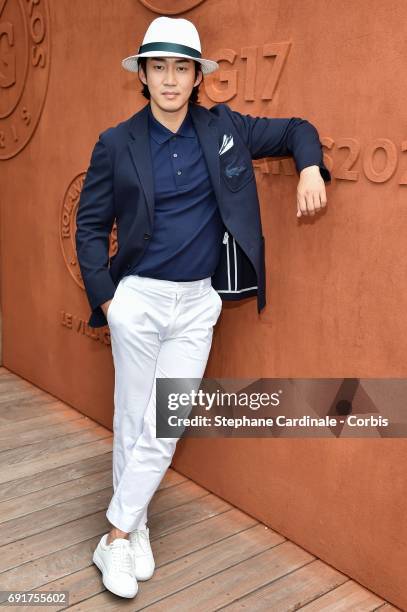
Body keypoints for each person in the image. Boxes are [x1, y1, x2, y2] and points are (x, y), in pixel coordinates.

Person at [75, 15, 331, 599]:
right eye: (158, 66)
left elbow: (297, 128)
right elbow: (90, 227)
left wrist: (310, 166)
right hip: (137, 298)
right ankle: (130, 533)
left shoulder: (225, 129)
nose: (169, 79)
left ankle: (113, 533)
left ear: (197, 78)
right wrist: (108, 301)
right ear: (144, 74)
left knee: (165, 422)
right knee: (133, 418)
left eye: (181, 68)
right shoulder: (117, 142)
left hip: (196, 303)